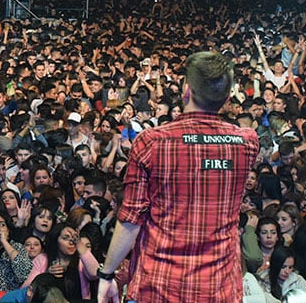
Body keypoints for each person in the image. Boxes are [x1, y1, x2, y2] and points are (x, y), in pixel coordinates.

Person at [98, 51, 259, 302]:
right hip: (219, 287)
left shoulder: (151, 142)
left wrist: (107, 275)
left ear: (186, 90)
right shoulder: (246, 142)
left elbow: (131, 220)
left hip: (160, 285)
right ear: (227, 98)